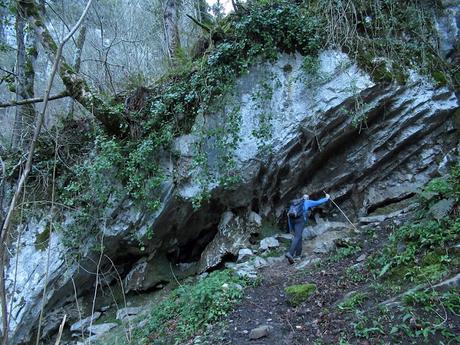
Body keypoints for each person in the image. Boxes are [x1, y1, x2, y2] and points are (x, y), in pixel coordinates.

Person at [285, 192, 330, 264]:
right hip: (300, 221)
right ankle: (290, 253)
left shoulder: (294, 203)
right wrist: (326, 198)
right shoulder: (307, 202)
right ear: (307, 198)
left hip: (293, 221)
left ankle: (297, 255)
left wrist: (291, 227)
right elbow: (318, 202)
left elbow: (289, 215)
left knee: (299, 237)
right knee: (297, 236)